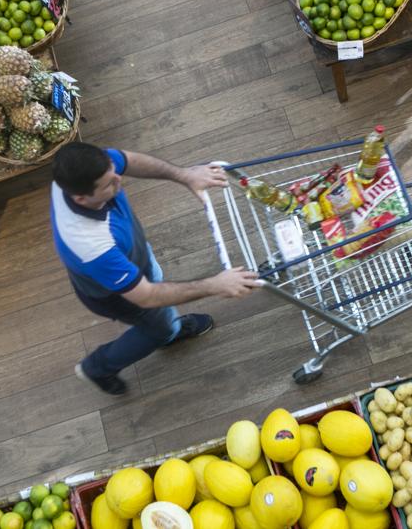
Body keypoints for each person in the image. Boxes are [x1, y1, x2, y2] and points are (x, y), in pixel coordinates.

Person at [51, 142, 259, 396]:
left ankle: (168, 326)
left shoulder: (84, 169)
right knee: (157, 327)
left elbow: (128, 160)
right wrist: (215, 285)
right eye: (108, 185)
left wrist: (185, 175)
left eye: (114, 171)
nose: (119, 181)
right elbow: (147, 296)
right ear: (81, 198)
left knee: (157, 283)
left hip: (132, 257)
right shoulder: (91, 244)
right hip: (114, 295)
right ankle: (99, 366)